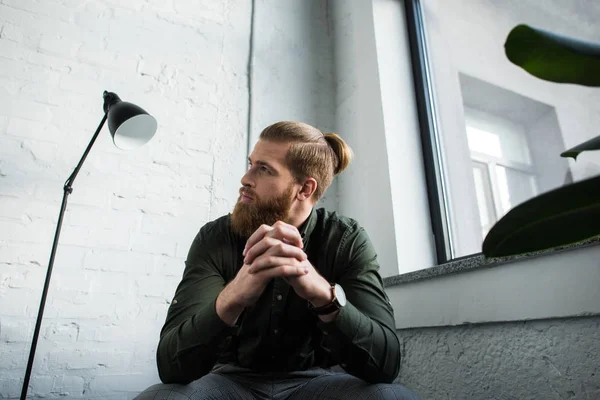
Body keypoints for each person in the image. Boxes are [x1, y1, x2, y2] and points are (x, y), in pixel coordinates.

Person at [136, 122, 420, 399]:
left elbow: (386, 365)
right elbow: (171, 366)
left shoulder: (346, 239)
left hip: (317, 382)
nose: (246, 179)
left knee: (392, 396)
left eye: (264, 169)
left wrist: (324, 296)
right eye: (251, 163)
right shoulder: (215, 237)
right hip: (229, 380)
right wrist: (233, 296)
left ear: (304, 189)